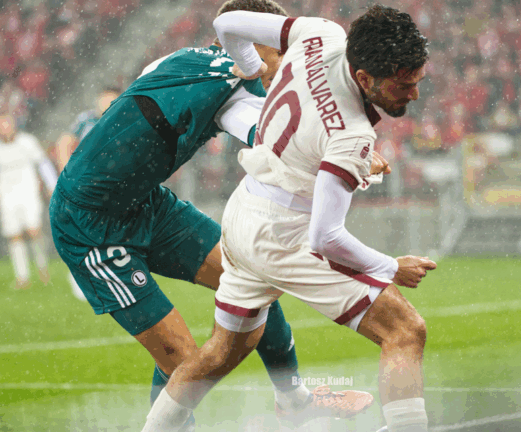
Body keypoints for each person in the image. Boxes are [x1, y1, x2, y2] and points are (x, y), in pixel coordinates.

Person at [49, 0, 379, 429]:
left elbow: (264, 128)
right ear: (257, 41)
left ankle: (294, 401)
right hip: (91, 225)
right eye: (283, 49)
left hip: (147, 203)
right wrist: (348, 151)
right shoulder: (238, 87)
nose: (290, 62)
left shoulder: (183, 60)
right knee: (184, 363)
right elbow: (276, 138)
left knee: (253, 280)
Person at [143, 5, 435, 432]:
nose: (414, 94)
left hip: (244, 212)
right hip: (285, 235)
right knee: (404, 330)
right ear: (363, 78)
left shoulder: (321, 33)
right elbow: (326, 238)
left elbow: (226, 22)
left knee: (221, 353)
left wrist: (249, 68)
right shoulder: (352, 133)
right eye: (404, 84)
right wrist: (391, 267)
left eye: (417, 81)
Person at [53, 86, 121, 301]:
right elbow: (63, 142)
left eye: (111, 100)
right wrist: (66, 173)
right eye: (103, 100)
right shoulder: (86, 120)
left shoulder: (124, 119)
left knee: (109, 231)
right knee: (84, 229)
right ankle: (80, 274)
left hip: (112, 183)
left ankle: (107, 276)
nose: (106, 105)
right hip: (85, 183)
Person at [0, 112, 58, 290]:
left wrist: (52, 185)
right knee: (14, 236)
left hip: (28, 193)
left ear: (14, 124)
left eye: (7, 123)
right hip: (6, 197)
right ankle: (22, 277)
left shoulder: (27, 142)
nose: (4, 128)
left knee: (34, 231)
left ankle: (43, 270)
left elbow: (43, 163)